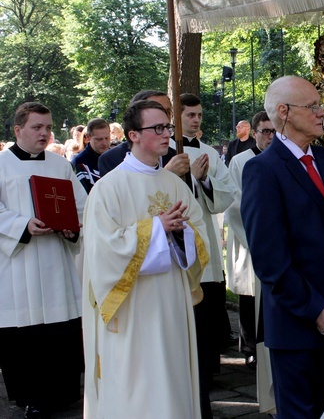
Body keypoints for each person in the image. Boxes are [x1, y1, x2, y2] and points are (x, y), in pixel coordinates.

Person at [241, 76, 324, 417]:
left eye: (320, 105)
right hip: (299, 326)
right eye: (312, 106)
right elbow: (271, 263)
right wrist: (321, 316)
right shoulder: (262, 171)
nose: (321, 112)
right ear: (284, 112)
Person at [82, 100, 210, 419]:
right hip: (133, 308)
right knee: (140, 388)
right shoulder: (108, 188)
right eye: (157, 128)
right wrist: (156, 229)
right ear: (133, 135)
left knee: (174, 378)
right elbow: (102, 251)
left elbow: (199, 235)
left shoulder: (173, 184)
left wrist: (181, 233)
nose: (166, 134)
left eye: (167, 127)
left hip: (171, 302)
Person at [0, 102, 88, 418]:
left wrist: (70, 227)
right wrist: (22, 225)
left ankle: (64, 393)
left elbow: (82, 207)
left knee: (59, 329)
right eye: (37, 127)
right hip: (17, 262)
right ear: (17, 129)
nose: (45, 133)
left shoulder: (60, 165)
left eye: (48, 127)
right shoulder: (1, 165)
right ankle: (30, 396)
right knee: (25, 333)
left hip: (55, 260)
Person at [176, 93, 236, 418]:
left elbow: (227, 193)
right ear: (176, 116)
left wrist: (204, 181)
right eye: (190, 115)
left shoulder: (210, 152)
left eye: (199, 115)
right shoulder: (168, 153)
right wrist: (190, 179)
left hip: (206, 241)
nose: (196, 120)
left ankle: (209, 367)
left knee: (209, 307)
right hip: (176, 242)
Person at [225, 111, 275, 369]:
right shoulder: (240, 161)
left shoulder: (281, 158)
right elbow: (235, 202)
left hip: (277, 240)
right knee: (250, 295)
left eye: (273, 131)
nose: (269, 136)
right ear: (254, 133)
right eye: (265, 131)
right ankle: (249, 348)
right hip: (251, 239)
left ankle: (270, 343)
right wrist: (255, 236)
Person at [98, 90, 190, 179]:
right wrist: (167, 174)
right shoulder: (111, 159)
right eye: (157, 109)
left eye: (168, 111)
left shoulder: (175, 156)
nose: (163, 116)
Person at [73, 118, 111, 194]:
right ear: (88, 137)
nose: (104, 143)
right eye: (99, 139)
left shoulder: (116, 158)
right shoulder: (79, 163)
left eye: (107, 138)